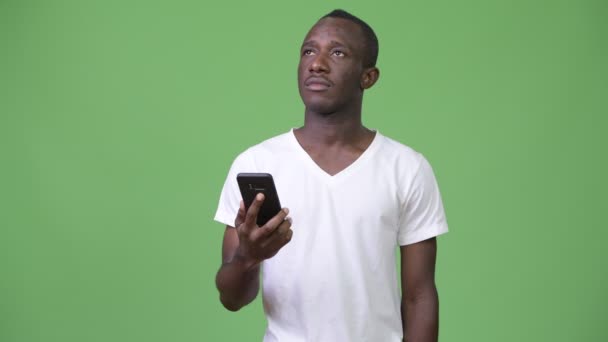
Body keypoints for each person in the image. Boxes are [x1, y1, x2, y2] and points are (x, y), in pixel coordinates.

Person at [214, 9, 448, 342]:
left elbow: (419, 296)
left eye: (337, 53)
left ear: (368, 77)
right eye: (308, 51)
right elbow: (231, 298)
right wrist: (247, 258)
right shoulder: (256, 163)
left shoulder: (406, 168)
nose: (317, 63)